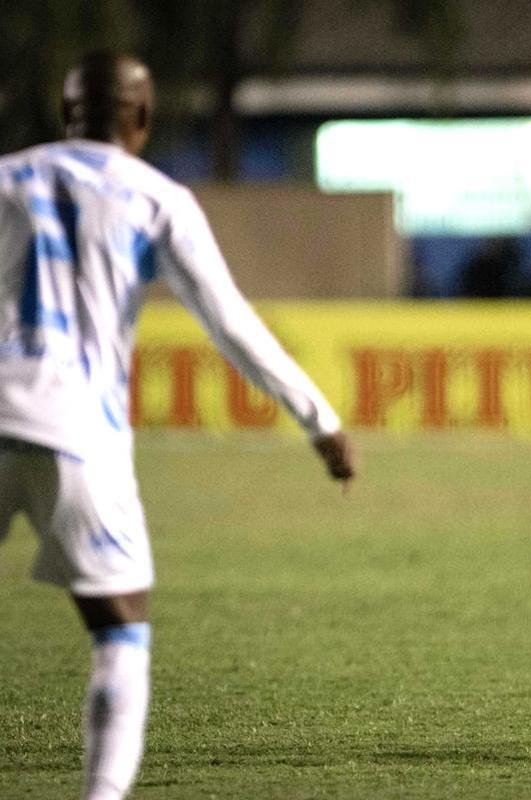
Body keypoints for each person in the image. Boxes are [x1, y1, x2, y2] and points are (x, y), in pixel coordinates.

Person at [0, 51, 356, 799]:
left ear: (65, 113)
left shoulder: (8, 175)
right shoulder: (154, 196)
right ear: (141, 118)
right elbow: (230, 324)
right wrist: (319, 419)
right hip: (75, 430)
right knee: (119, 628)